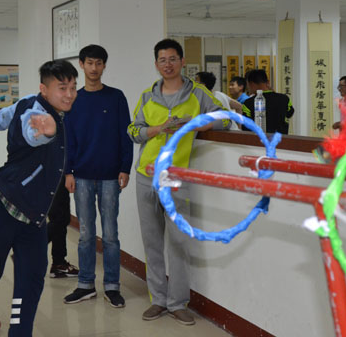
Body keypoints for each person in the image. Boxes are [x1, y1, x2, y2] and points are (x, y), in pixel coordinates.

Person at [0, 60, 78, 336]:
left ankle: (19, 332)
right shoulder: (34, 112)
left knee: (31, 278)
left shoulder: (39, 107)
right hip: (3, 207)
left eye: (73, 87)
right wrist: (45, 132)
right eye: (62, 88)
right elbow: (30, 133)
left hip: (34, 217)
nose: (70, 94)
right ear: (44, 89)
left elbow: (1, 118)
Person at [128, 39, 230, 326]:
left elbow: (225, 119)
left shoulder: (198, 93)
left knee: (178, 242)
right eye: (162, 60)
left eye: (173, 59)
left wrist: (198, 124)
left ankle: (177, 302)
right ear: (156, 64)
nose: (168, 64)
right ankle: (158, 300)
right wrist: (157, 129)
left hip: (176, 176)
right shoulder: (147, 95)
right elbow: (133, 130)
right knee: (152, 242)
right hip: (146, 175)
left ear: (183, 61)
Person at [63, 44, 133, 308]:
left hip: (110, 176)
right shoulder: (74, 99)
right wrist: (68, 171)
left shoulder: (116, 97)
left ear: (104, 65)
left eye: (99, 63)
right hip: (81, 176)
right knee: (85, 234)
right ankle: (85, 284)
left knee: (111, 235)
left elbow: (126, 135)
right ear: (81, 64)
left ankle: (112, 286)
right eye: (89, 63)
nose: (94, 68)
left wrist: (125, 167)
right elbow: (68, 140)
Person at [241, 69, 294, 134]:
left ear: (251, 84)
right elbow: (290, 113)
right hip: (282, 139)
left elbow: (245, 127)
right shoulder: (284, 98)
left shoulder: (248, 103)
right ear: (267, 82)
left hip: (259, 139)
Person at [46, 177, 78, 279]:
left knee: (61, 218)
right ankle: (28, 249)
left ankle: (59, 263)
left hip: (58, 174)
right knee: (60, 218)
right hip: (56, 173)